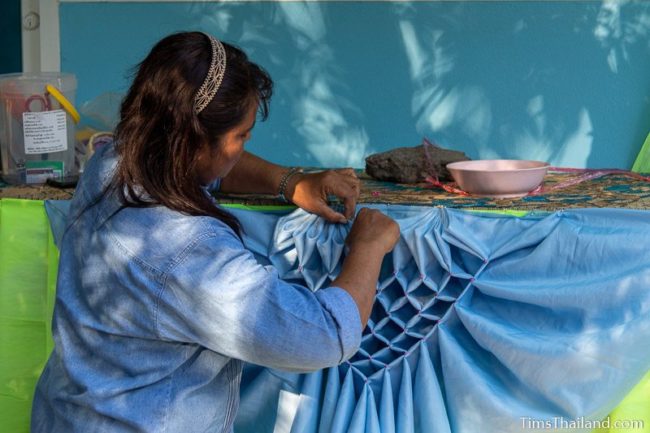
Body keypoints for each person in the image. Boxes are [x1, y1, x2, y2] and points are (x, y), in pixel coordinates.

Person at [31, 31, 399, 432]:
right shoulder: (189, 253)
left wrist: (290, 182)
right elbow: (323, 336)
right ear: (193, 143)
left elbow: (205, 164)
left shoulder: (112, 162)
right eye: (240, 135)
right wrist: (368, 246)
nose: (244, 146)